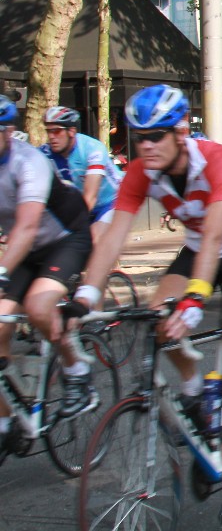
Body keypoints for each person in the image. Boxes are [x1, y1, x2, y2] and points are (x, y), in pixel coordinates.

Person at [83, 85, 222, 521]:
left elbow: (216, 233)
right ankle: (194, 390)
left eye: (156, 136)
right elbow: (113, 236)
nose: (146, 146)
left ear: (180, 132)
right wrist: (84, 297)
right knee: (158, 318)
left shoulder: (215, 160)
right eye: (139, 137)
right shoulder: (141, 172)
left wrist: (194, 297)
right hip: (197, 248)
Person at [0, 95, 98, 452]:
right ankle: (6, 422)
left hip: (65, 239)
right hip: (26, 249)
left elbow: (26, 227)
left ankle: (76, 371)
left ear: (8, 131)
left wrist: (1, 271)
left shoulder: (29, 163)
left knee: (39, 307)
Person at [41, 105, 123, 243]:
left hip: (111, 201)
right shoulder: (45, 153)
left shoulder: (92, 148)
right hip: (77, 204)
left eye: (57, 131)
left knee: (93, 239)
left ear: (71, 131)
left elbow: (90, 197)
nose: (51, 137)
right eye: (48, 131)